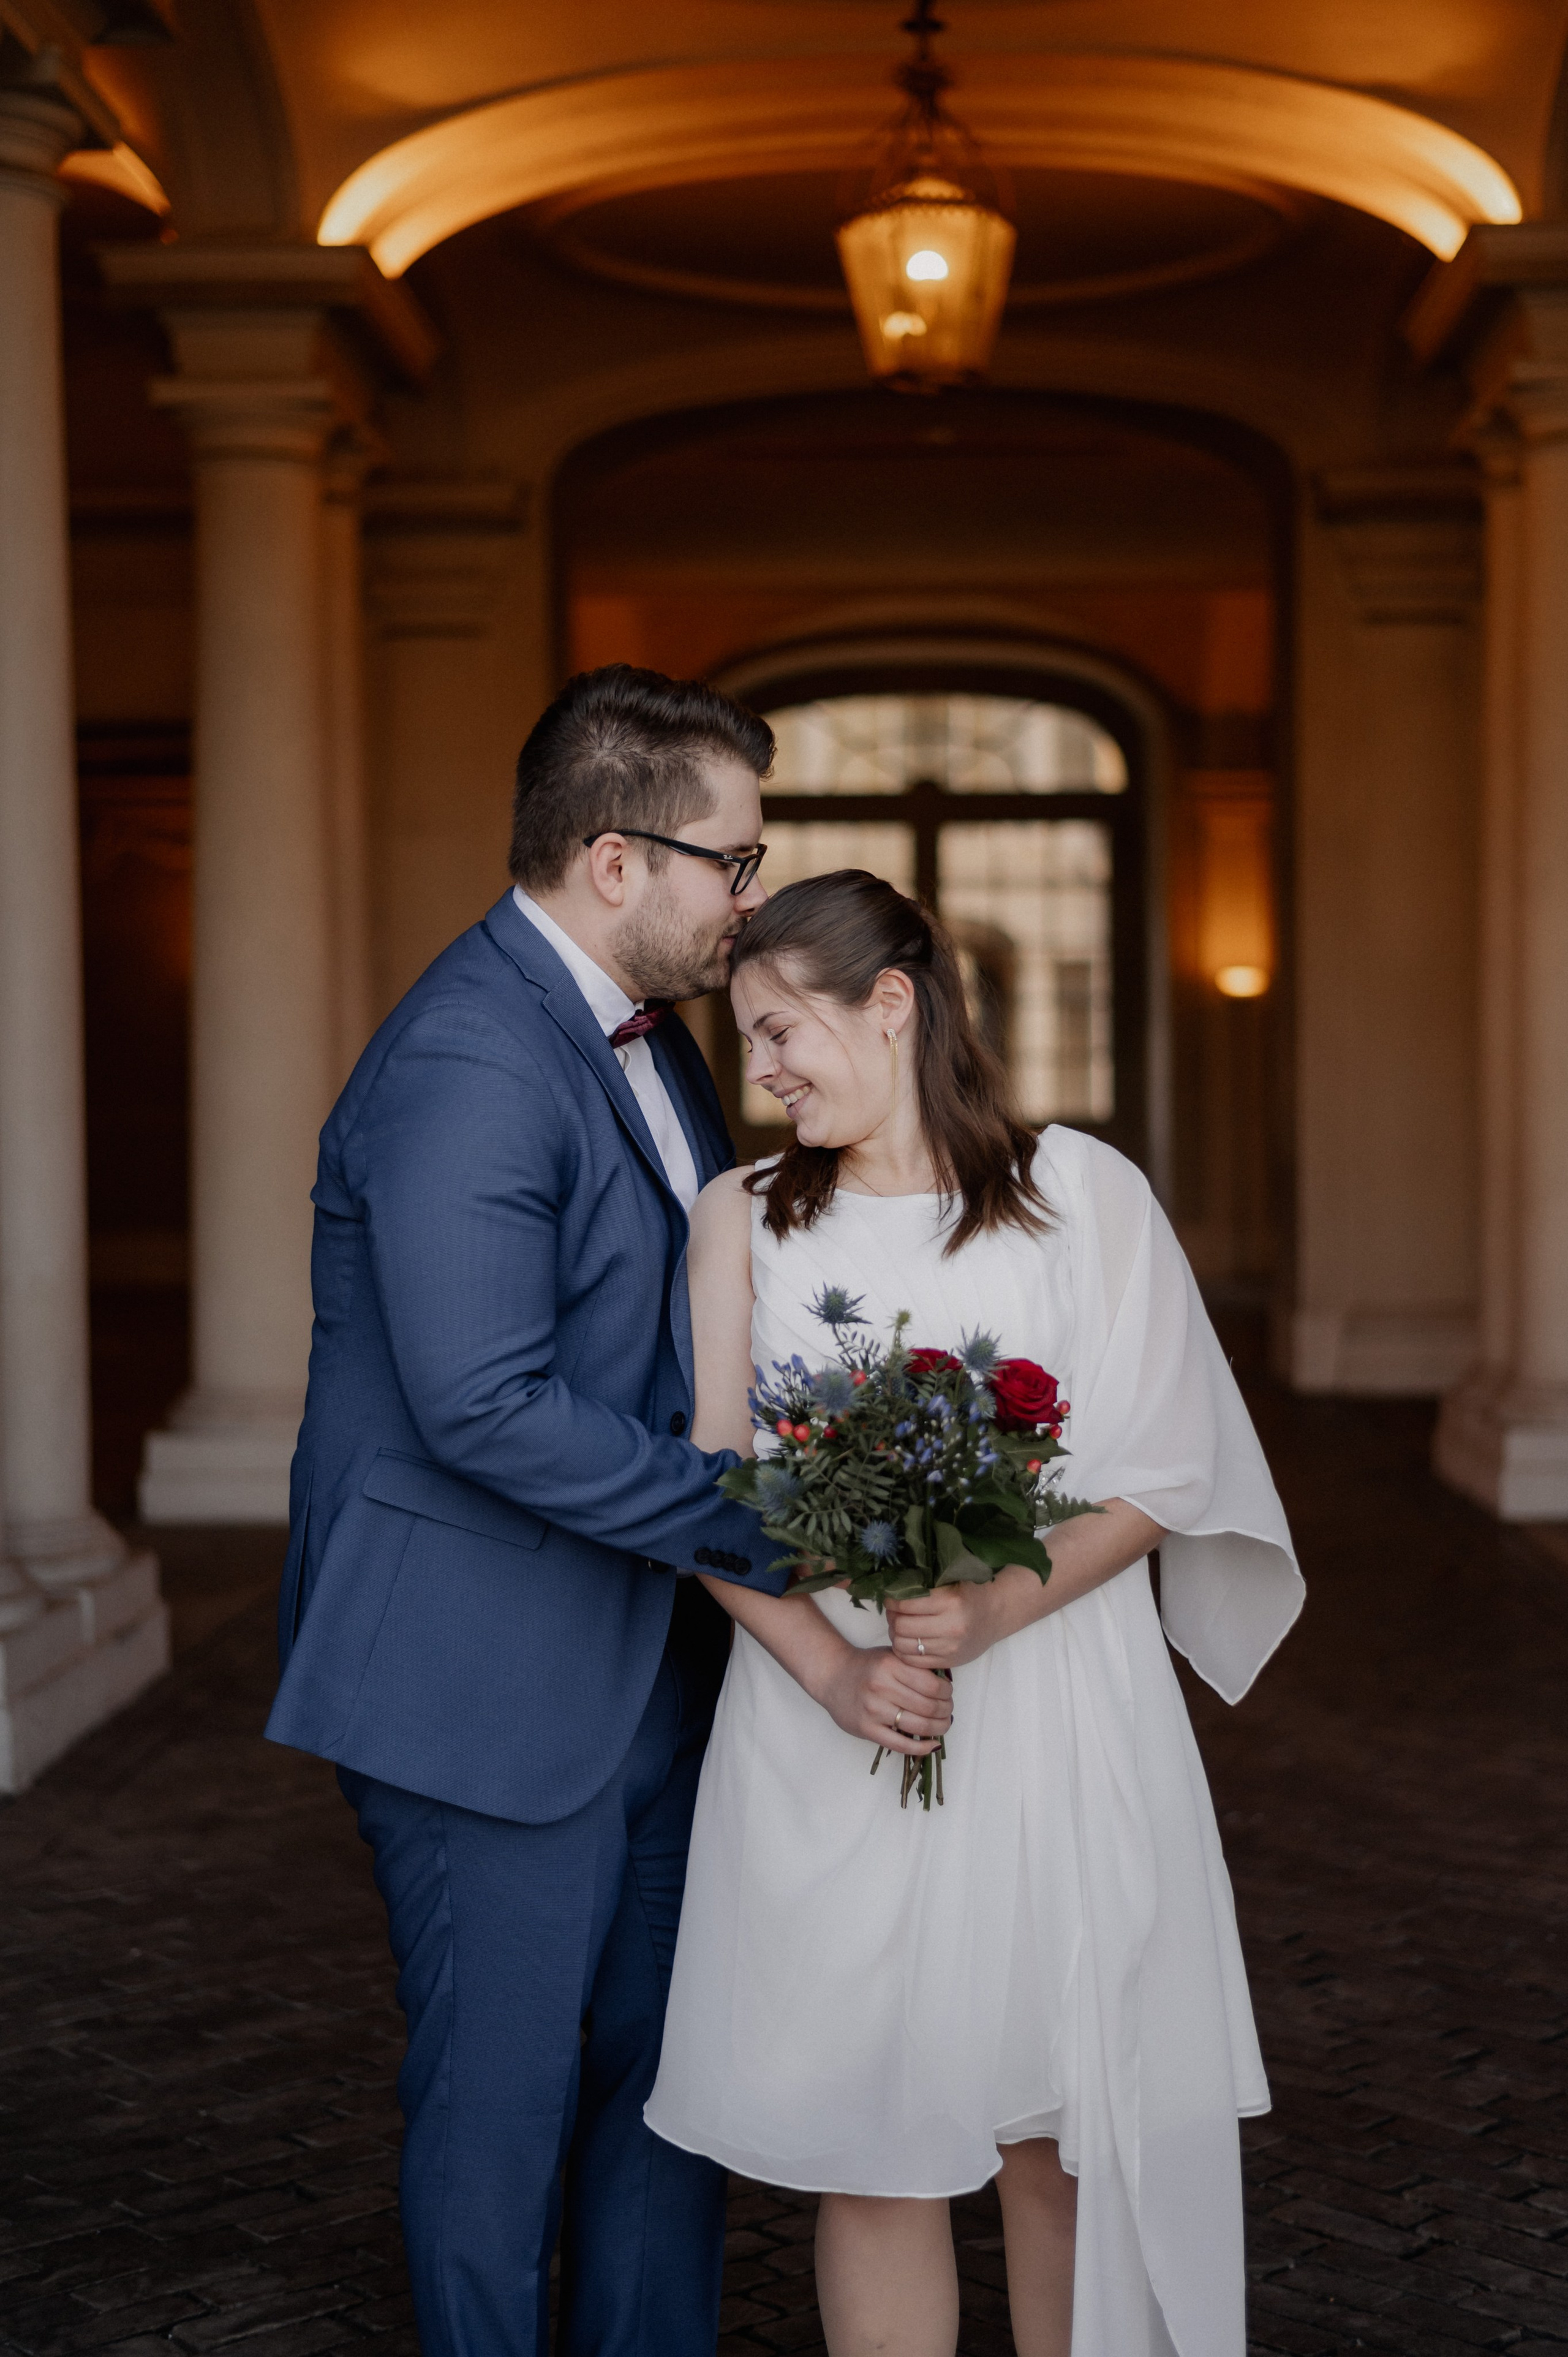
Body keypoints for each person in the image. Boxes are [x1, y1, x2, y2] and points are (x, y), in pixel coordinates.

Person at [645, 870, 1304, 2357]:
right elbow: (708, 1501)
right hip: (838, 1734)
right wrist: (831, 1672)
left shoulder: (1085, 1193)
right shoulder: (738, 1219)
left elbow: (1164, 1467)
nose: (759, 1072)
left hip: (1057, 1717)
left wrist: (996, 1609)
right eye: (744, 1041)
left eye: (777, 1031)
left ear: (890, 1004)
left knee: (1050, 2132)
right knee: (876, 2145)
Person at [266, 665, 794, 2357]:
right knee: (496, 2118)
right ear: (618, 859)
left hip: (645, 1667)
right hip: (479, 1681)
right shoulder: (472, 1055)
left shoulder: (652, 1046)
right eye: (736, 859)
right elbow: (484, 1401)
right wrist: (762, 1526)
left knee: (666, 2085)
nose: (752, 898)